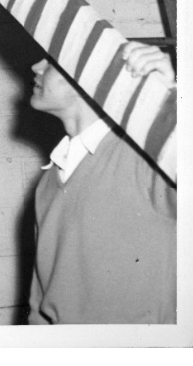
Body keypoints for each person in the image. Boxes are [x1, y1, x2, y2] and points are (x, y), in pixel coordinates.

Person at [27, 42, 176, 324]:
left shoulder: (145, 157)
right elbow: (40, 302)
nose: (36, 67)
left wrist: (170, 103)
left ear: (90, 77)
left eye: (51, 60)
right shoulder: (49, 180)